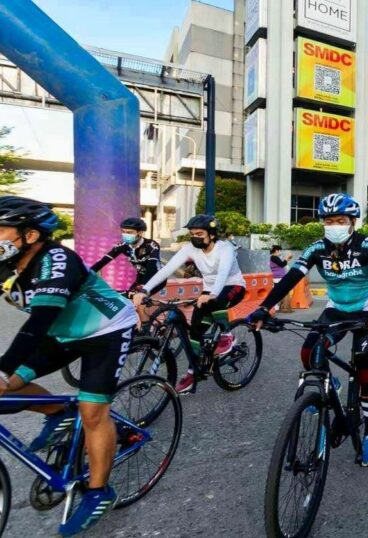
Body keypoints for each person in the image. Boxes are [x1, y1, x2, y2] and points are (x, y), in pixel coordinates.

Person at [0, 196, 136, 535]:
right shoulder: (6, 263)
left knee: (92, 411)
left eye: (0, 230)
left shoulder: (56, 259)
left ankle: (98, 490)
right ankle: (60, 412)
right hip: (63, 332)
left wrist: (4, 365)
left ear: (29, 235)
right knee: (6, 389)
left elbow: (40, 321)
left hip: (105, 330)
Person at [249, 193, 368, 465]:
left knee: (365, 366)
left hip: (367, 309)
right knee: (308, 353)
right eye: (328, 220)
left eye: (340, 220)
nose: (333, 225)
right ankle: (330, 384)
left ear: (352, 222)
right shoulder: (316, 249)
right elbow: (290, 278)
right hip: (336, 308)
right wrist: (265, 308)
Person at [133, 214, 246, 393]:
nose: (195, 237)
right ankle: (194, 371)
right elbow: (168, 269)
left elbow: (223, 272)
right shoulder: (190, 249)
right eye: (192, 233)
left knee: (213, 301)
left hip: (233, 286)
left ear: (212, 234)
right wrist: (145, 290)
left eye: (200, 233)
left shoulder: (225, 248)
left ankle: (226, 336)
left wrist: (212, 294)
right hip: (208, 292)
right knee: (195, 331)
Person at [91, 217, 164, 294]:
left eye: (129, 232)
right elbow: (104, 261)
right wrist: (87, 274)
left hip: (156, 278)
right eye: (123, 232)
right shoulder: (123, 245)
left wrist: (143, 287)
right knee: (127, 300)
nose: (125, 234)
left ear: (140, 233)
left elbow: (151, 267)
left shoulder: (151, 245)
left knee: (137, 299)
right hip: (141, 277)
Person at [269, 245, 294, 313]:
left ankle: (280, 307)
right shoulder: (274, 257)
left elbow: (283, 264)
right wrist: (287, 257)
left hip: (279, 277)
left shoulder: (275, 258)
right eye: (280, 250)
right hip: (278, 277)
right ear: (276, 250)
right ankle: (277, 306)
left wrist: (288, 258)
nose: (280, 252)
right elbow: (282, 264)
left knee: (280, 292)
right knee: (280, 292)